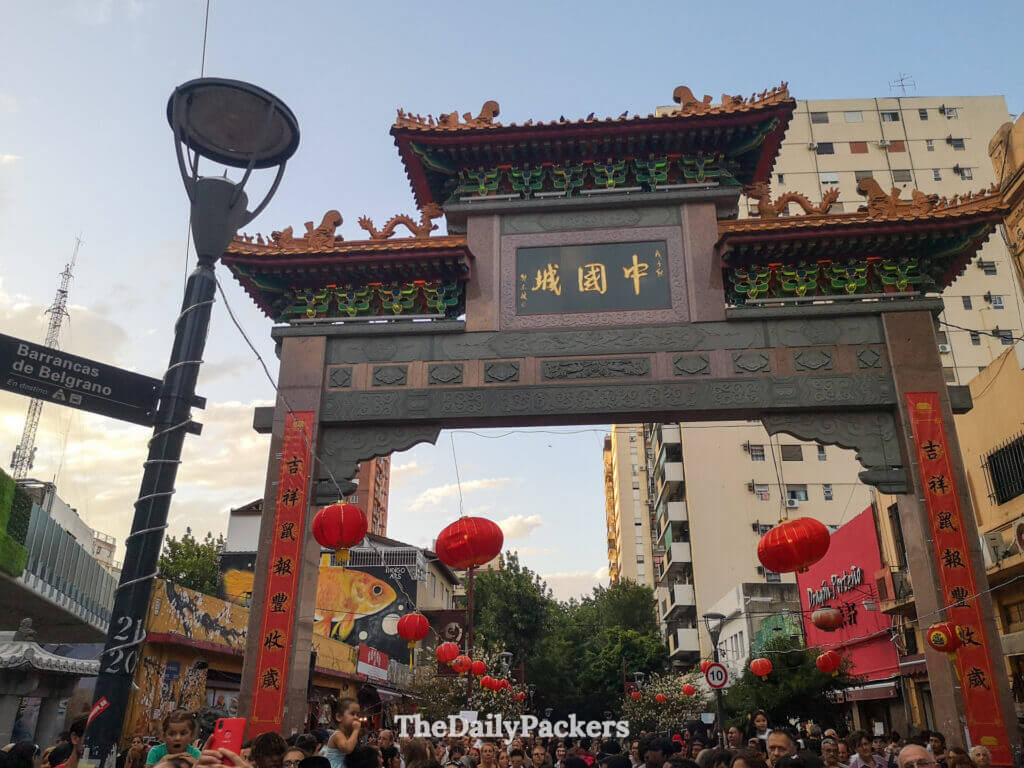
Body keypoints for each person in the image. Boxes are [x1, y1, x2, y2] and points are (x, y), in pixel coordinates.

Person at [323, 699, 361, 768]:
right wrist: (356, 730)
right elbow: (347, 749)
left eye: (357, 715)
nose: (356, 717)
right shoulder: (338, 735)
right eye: (352, 714)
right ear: (339, 717)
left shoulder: (348, 735)